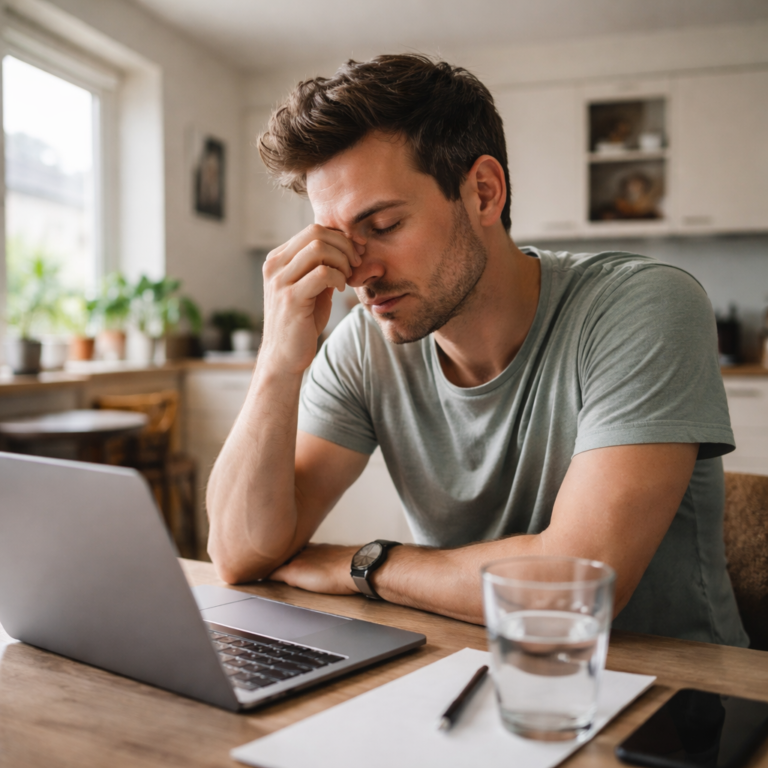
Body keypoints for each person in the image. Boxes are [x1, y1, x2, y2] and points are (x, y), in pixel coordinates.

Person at [207, 54, 747, 646]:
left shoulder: (642, 305)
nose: (358, 273)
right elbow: (239, 554)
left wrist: (362, 564)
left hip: (678, 699)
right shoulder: (363, 346)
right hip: (469, 666)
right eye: (337, 239)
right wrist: (277, 363)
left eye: (383, 225)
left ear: (483, 193)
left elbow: (579, 589)